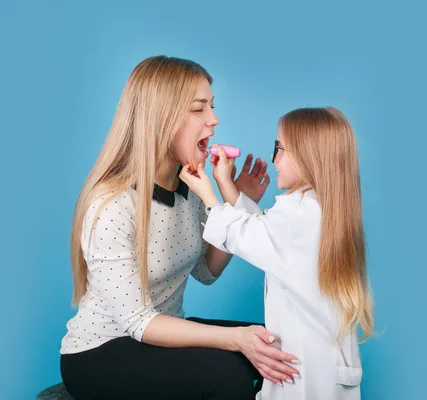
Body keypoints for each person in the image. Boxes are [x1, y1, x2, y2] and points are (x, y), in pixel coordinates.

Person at [60, 55, 299, 400]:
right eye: (199, 109)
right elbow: (138, 322)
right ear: (162, 118)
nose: (214, 121)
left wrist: (238, 199)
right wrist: (234, 340)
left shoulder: (189, 190)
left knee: (271, 343)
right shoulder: (112, 204)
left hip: (162, 339)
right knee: (229, 374)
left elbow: (205, 270)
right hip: (100, 351)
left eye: (212, 107)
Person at [179, 107, 375, 399]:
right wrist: (225, 185)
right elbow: (266, 235)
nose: (274, 159)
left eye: (280, 148)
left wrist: (207, 194)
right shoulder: (316, 209)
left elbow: (246, 235)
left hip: (302, 370)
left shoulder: (298, 213)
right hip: (325, 367)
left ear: (310, 155)